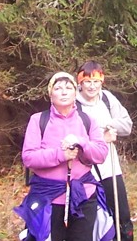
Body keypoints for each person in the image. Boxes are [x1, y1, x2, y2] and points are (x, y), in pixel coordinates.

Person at [15, 72, 114, 241]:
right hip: (47, 198)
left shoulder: (88, 120)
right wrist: (60, 155)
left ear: (75, 93)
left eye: (68, 88)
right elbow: (29, 157)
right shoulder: (38, 120)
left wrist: (81, 143)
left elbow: (100, 154)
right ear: (50, 94)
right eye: (58, 88)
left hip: (83, 195)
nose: (63, 92)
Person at [76, 61, 135, 241]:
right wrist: (102, 136)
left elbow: (127, 125)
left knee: (121, 217)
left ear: (102, 81)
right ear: (80, 83)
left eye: (96, 81)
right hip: (85, 173)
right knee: (90, 220)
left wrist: (108, 124)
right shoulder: (73, 104)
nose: (92, 86)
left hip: (110, 170)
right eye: (87, 81)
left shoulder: (107, 99)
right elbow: (76, 141)